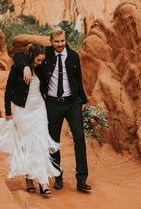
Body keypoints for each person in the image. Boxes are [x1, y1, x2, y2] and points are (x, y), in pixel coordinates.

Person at [14, 27, 91, 192]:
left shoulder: (73, 56)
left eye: (62, 41)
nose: (60, 44)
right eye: (57, 42)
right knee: (53, 142)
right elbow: (20, 54)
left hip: (72, 103)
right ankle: (58, 176)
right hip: (52, 104)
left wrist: (83, 100)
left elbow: (78, 79)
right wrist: (25, 67)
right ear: (51, 42)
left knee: (79, 137)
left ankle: (82, 179)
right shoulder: (45, 54)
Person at [0, 44, 60, 195]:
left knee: (40, 144)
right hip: (22, 111)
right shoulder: (18, 68)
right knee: (26, 146)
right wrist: (8, 112)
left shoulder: (41, 67)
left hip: (39, 110)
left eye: (42, 60)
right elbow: (8, 90)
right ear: (31, 57)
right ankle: (29, 179)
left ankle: (43, 182)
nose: (39, 63)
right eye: (37, 60)